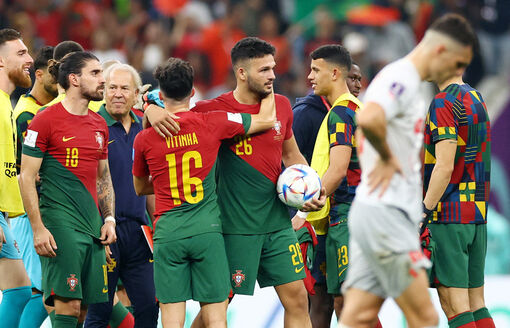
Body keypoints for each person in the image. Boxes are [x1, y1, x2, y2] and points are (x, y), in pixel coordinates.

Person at [145, 37, 325, 328]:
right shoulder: (209, 110)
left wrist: (312, 187)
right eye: (264, 70)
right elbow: (167, 102)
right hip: (233, 228)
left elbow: (292, 155)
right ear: (242, 73)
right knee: (215, 308)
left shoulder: (281, 105)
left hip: (277, 225)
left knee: (297, 298)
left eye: (273, 68)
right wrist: (150, 109)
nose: (272, 75)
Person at [339, 13, 477, 328]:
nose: (458, 73)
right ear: (441, 51)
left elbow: (367, 127)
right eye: (458, 64)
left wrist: (377, 153)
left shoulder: (410, 82)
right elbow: (369, 119)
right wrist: (386, 158)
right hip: (387, 216)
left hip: (375, 211)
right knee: (426, 318)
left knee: (357, 317)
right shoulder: (402, 76)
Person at [132, 57, 276, 327]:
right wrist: (267, 90)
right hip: (206, 231)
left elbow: (139, 187)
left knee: (171, 320)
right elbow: (266, 120)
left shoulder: (145, 138)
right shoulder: (212, 122)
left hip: (168, 233)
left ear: (161, 95)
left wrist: (167, 183)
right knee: (215, 318)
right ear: (193, 92)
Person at [19, 51, 117, 328]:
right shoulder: (44, 120)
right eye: (95, 73)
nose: (103, 80)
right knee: (68, 305)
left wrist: (109, 219)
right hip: (60, 224)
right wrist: (38, 228)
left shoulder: (99, 124)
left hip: (93, 226)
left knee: (84, 309)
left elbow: (103, 177)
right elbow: (26, 177)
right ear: (74, 79)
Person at [292, 61, 365, 328]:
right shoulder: (306, 114)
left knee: (346, 301)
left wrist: (303, 211)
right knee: (323, 300)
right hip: (319, 219)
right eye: (352, 78)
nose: (356, 85)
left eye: (358, 79)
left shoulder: (347, 113)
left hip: (339, 214)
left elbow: (337, 169)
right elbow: (289, 164)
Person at [85, 63, 158, 327]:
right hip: (105, 232)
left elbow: (149, 183)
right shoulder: (92, 126)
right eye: (112, 87)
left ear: (136, 93)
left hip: (139, 233)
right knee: (99, 312)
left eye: (124, 88)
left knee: (150, 307)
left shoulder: (145, 127)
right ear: (103, 91)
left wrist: (157, 223)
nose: (117, 93)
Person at [422, 73, 494, 327]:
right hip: (476, 214)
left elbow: (444, 166)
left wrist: (424, 210)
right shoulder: (476, 97)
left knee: (455, 305)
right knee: (477, 303)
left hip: (449, 215)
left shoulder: (443, 101)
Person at [10, 45, 57, 328]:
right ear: (39, 75)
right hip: (28, 211)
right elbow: (27, 173)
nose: (61, 78)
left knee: (42, 289)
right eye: (55, 72)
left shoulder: (43, 111)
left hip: (41, 210)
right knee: (39, 290)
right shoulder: (28, 115)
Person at [0, 27, 34, 328]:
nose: (30, 59)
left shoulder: (6, 105)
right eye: (21, 53)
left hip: (4, 215)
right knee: (21, 290)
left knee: (21, 290)